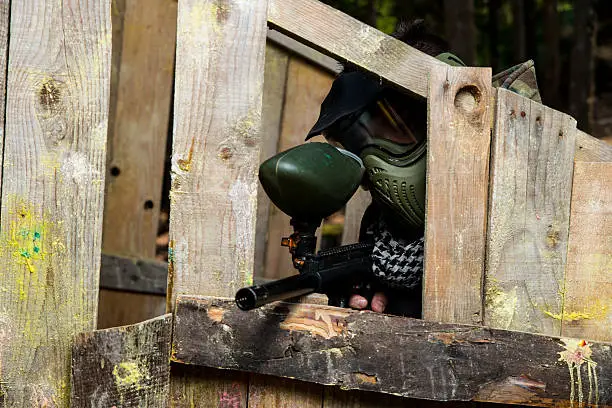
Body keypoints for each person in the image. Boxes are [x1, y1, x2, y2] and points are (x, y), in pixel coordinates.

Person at [305, 19, 543, 317]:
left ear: (443, 117)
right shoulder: (382, 231)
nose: (370, 162)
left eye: (388, 128)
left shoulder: (529, 208)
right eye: (354, 142)